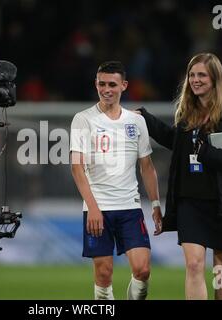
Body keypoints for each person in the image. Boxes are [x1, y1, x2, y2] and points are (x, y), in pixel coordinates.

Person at [137, 53, 222, 300]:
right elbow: (175, 142)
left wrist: (211, 154)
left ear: (215, 78)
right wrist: (145, 119)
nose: (195, 80)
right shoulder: (188, 111)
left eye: (201, 75)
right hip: (191, 203)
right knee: (194, 266)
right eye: (191, 75)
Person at [70, 61, 162, 300]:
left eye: (112, 84)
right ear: (96, 84)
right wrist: (92, 207)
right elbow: (76, 167)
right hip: (97, 207)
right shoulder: (83, 119)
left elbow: (147, 167)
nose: (106, 89)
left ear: (124, 85)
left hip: (130, 207)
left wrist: (155, 205)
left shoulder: (136, 121)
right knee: (104, 274)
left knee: (142, 269)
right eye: (102, 84)